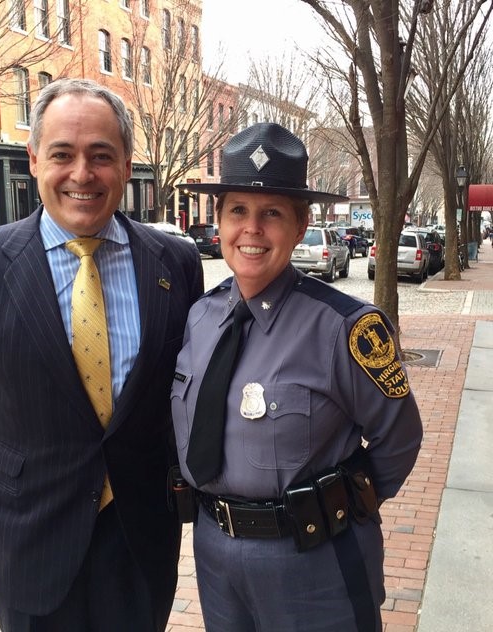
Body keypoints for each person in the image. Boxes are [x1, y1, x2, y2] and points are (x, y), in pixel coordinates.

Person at [0, 78, 204, 632]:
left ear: (126, 164)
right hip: (31, 536)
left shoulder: (176, 262)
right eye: (62, 154)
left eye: (101, 155)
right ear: (33, 159)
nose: (82, 174)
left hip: (140, 537)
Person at [170, 122, 423, 632]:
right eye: (238, 210)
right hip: (216, 556)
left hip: (314, 563)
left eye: (273, 214)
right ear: (218, 220)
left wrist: (341, 503)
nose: (252, 229)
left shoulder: (346, 328)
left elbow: (401, 438)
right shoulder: (201, 317)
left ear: (301, 223)